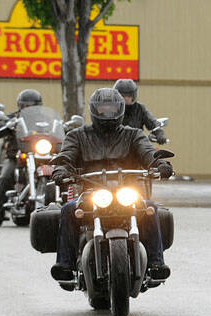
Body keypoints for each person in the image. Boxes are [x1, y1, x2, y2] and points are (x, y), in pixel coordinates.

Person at [49, 88, 173, 282]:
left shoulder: (134, 135)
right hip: (91, 192)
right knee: (68, 210)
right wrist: (61, 170)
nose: (107, 114)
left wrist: (161, 164)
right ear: (94, 110)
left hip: (127, 191)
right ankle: (65, 264)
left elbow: (148, 152)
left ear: (121, 110)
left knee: (150, 208)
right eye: (103, 109)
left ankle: (156, 263)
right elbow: (67, 157)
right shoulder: (78, 136)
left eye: (112, 109)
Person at [0, 89, 43, 226]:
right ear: (20, 105)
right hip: (16, 156)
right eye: (24, 105)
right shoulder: (13, 119)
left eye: (31, 106)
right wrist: (5, 126)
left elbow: (57, 129)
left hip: (40, 156)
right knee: (4, 177)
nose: (28, 108)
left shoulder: (45, 120)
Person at [113, 79, 167, 144]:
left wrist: (159, 133)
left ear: (133, 96)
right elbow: (102, 123)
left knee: (155, 152)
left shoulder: (140, 108)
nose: (126, 98)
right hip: (114, 146)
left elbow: (152, 122)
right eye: (123, 95)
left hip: (136, 146)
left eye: (129, 95)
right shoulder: (111, 109)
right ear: (116, 96)